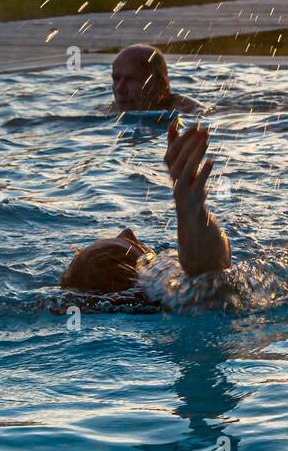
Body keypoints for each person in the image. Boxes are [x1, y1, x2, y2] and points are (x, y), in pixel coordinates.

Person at [60, 122, 230, 294]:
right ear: (149, 275)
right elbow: (210, 275)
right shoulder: (177, 297)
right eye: (131, 245)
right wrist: (193, 212)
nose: (128, 232)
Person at [109, 44, 203, 114]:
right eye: (116, 79)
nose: (119, 89)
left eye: (131, 79)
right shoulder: (111, 110)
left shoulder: (191, 113)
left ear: (161, 85)